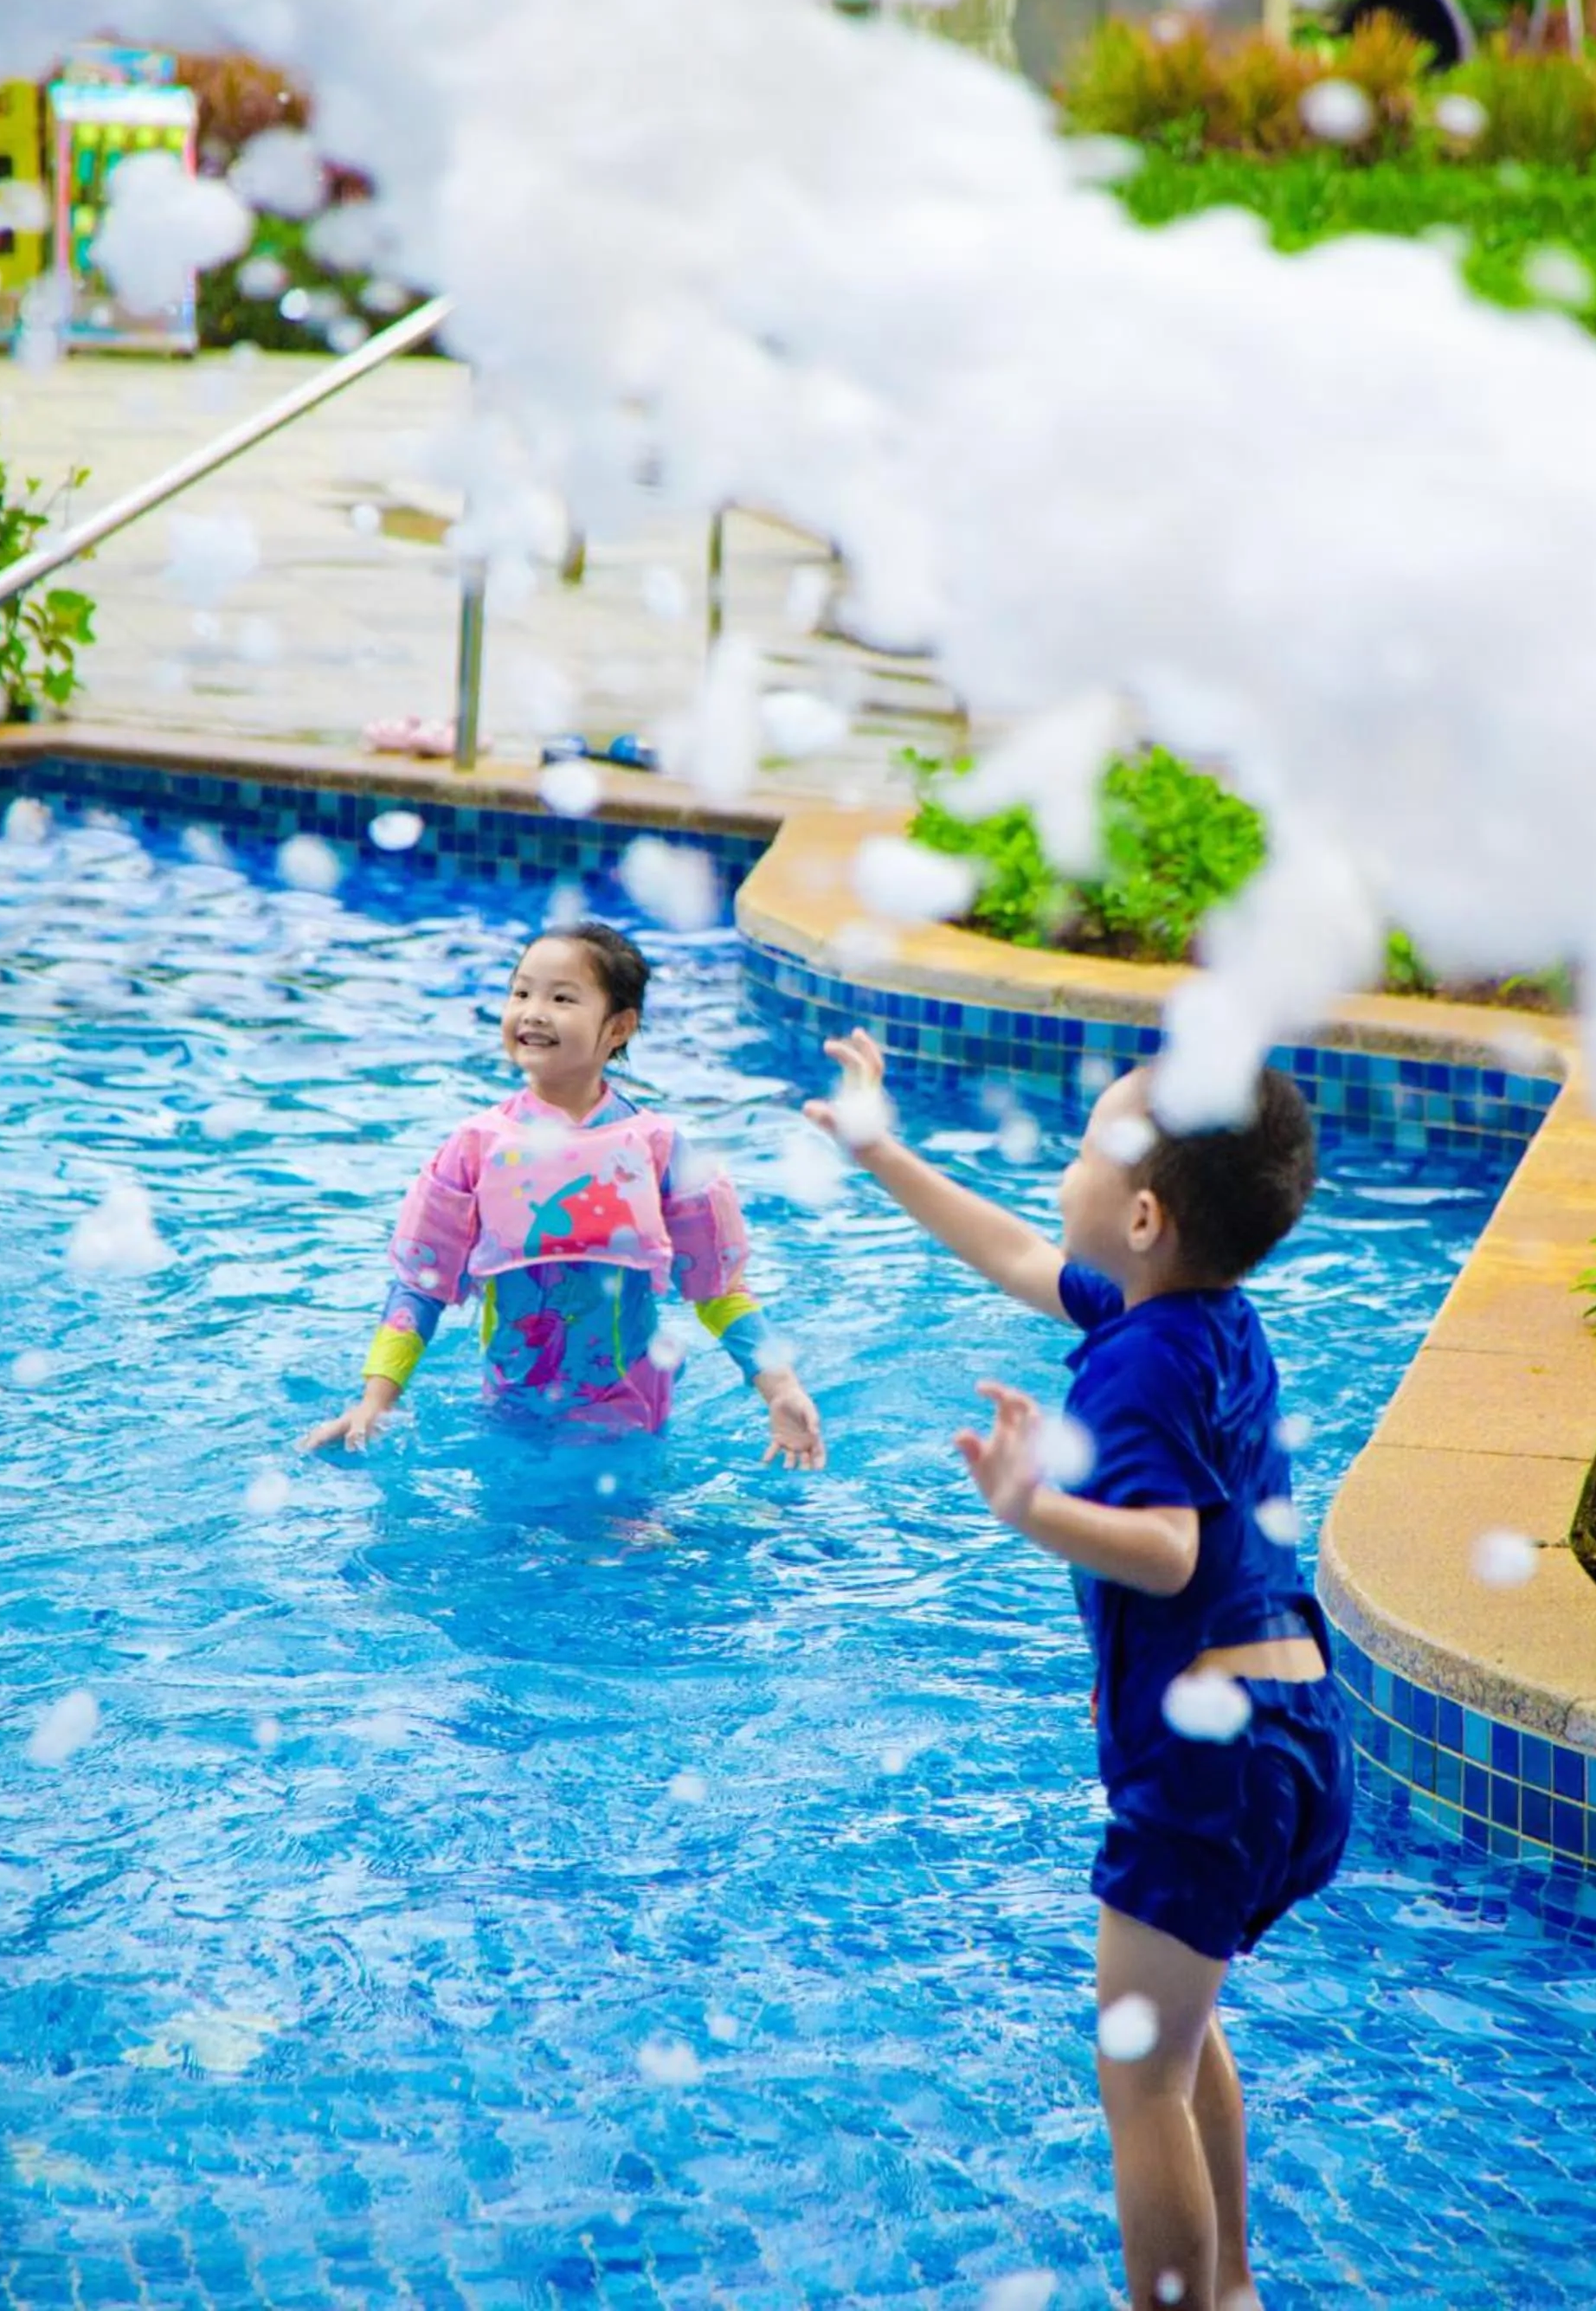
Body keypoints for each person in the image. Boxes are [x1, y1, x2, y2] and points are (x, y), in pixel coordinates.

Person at [807, 1033, 1349, 2311]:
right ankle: (1233, 2293)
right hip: (1288, 1728)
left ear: (1146, 1214)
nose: (1063, 1171)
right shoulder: (1196, 1316)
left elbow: (1165, 1552)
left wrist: (1030, 1508)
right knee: (1181, 2031)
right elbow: (1011, 1254)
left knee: (1137, 2075)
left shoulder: (1146, 1362)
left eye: (1085, 1152)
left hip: (1206, 1749)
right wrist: (881, 1150)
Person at [303, 922, 824, 1468]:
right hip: (510, 1410)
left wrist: (780, 1390)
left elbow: (718, 1289)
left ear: (619, 1027)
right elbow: (420, 1286)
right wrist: (375, 1402)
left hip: (627, 1415)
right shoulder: (476, 1148)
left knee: (623, 1541)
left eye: (561, 998)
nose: (532, 1011)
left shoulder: (657, 1150)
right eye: (521, 992)